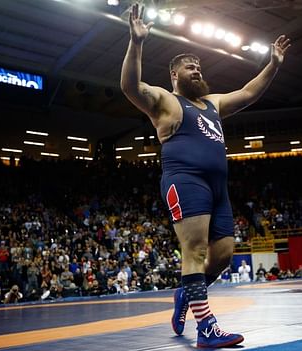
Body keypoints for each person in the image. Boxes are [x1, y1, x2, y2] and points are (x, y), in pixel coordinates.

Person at [120, 3, 290, 348]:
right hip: (185, 180)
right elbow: (130, 87)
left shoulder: (212, 103)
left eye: (198, 66)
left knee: (223, 255)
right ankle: (206, 328)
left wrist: (272, 65)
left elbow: (247, 93)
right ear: (174, 76)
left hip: (218, 188)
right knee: (194, 251)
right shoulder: (166, 101)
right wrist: (137, 43)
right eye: (188, 67)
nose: (196, 70)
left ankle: (186, 293)